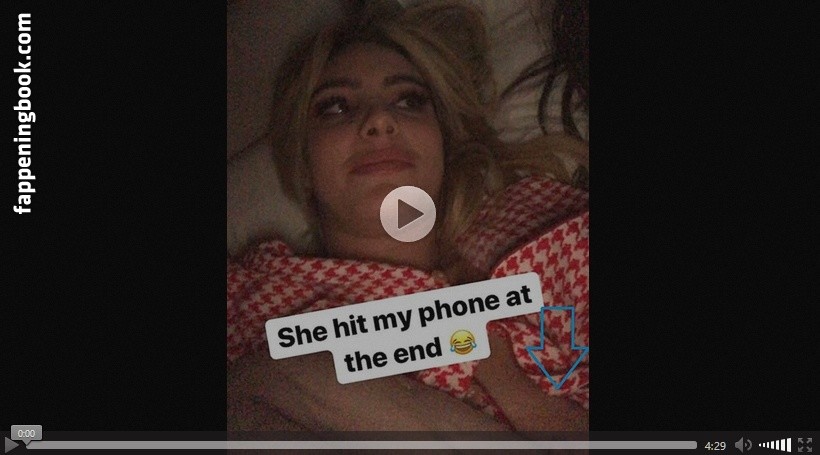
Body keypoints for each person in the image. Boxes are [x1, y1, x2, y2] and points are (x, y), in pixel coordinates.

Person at [227, 0, 589, 432]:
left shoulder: (548, 245)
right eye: (336, 107)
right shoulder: (249, 299)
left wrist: (506, 381)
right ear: (302, 161)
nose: (379, 119)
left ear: (442, 140)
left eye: (408, 100)